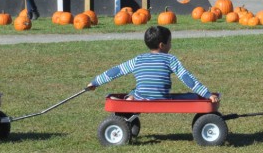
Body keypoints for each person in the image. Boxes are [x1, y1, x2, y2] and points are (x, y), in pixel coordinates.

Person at [86, 26, 218, 102]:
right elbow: (187, 78)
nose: (171, 45)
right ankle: (132, 96)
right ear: (162, 45)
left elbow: (116, 71)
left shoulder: (138, 60)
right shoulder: (170, 59)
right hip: (162, 99)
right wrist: (206, 94)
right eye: (170, 42)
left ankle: (130, 98)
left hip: (141, 97)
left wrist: (95, 82)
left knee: (136, 90)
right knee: (192, 96)